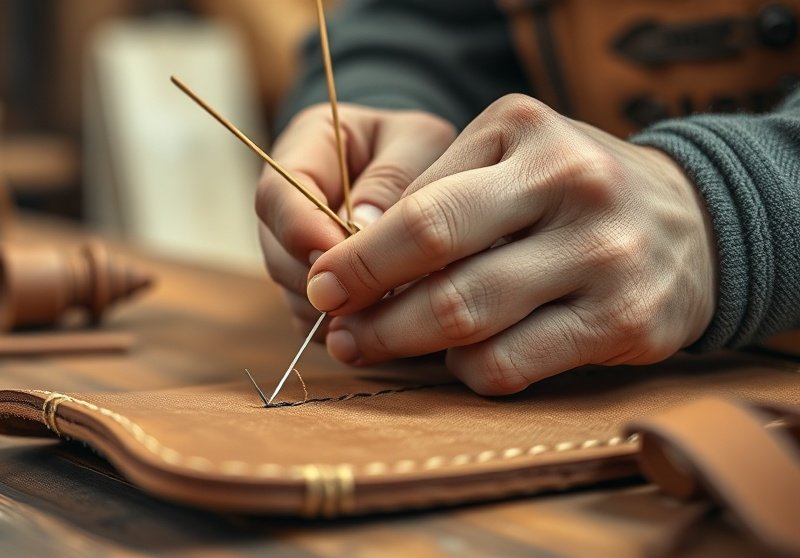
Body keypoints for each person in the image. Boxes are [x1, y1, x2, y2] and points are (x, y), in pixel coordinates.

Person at [255, 0, 800, 395]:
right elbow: (426, 23)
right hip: (585, 399)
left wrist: (725, 207)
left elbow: (734, 207)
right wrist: (384, 107)